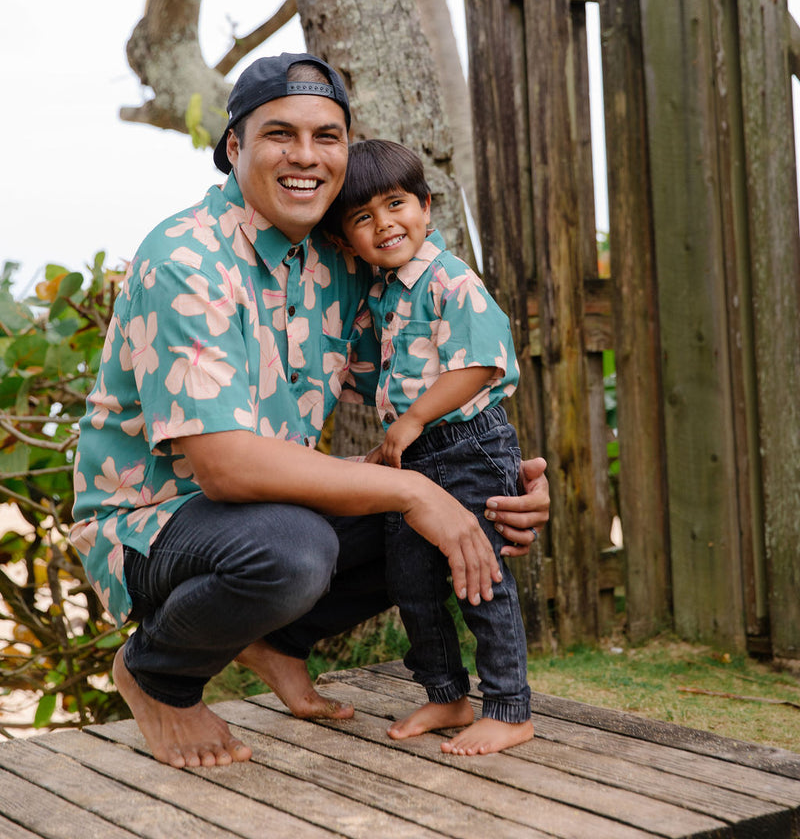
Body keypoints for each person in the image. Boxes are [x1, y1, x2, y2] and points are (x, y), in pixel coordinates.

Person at [70, 52, 550, 770]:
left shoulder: (335, 261)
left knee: (447, 505)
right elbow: (226, 469)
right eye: (279, 134)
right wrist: (417, 491)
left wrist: (497, 483)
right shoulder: (186, 260)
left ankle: (280, 642)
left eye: (327, 136)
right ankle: (159, 675)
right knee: (296, 549)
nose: (306, 156)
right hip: (152, 522)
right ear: (234, 147)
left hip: (273, 504)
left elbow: (422, 377)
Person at [328, 139, 534, 756]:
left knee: (481, 579)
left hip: (469, 446)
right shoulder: (385, 293)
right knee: (412, 583)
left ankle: (509, 707)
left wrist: (412, 418)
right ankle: (447, 694)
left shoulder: (450, 279)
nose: (384, 224)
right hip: (417, 461)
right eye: (363, 218)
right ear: (347, 238)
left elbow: (481, 364)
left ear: (424, 206)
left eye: (395, 205)